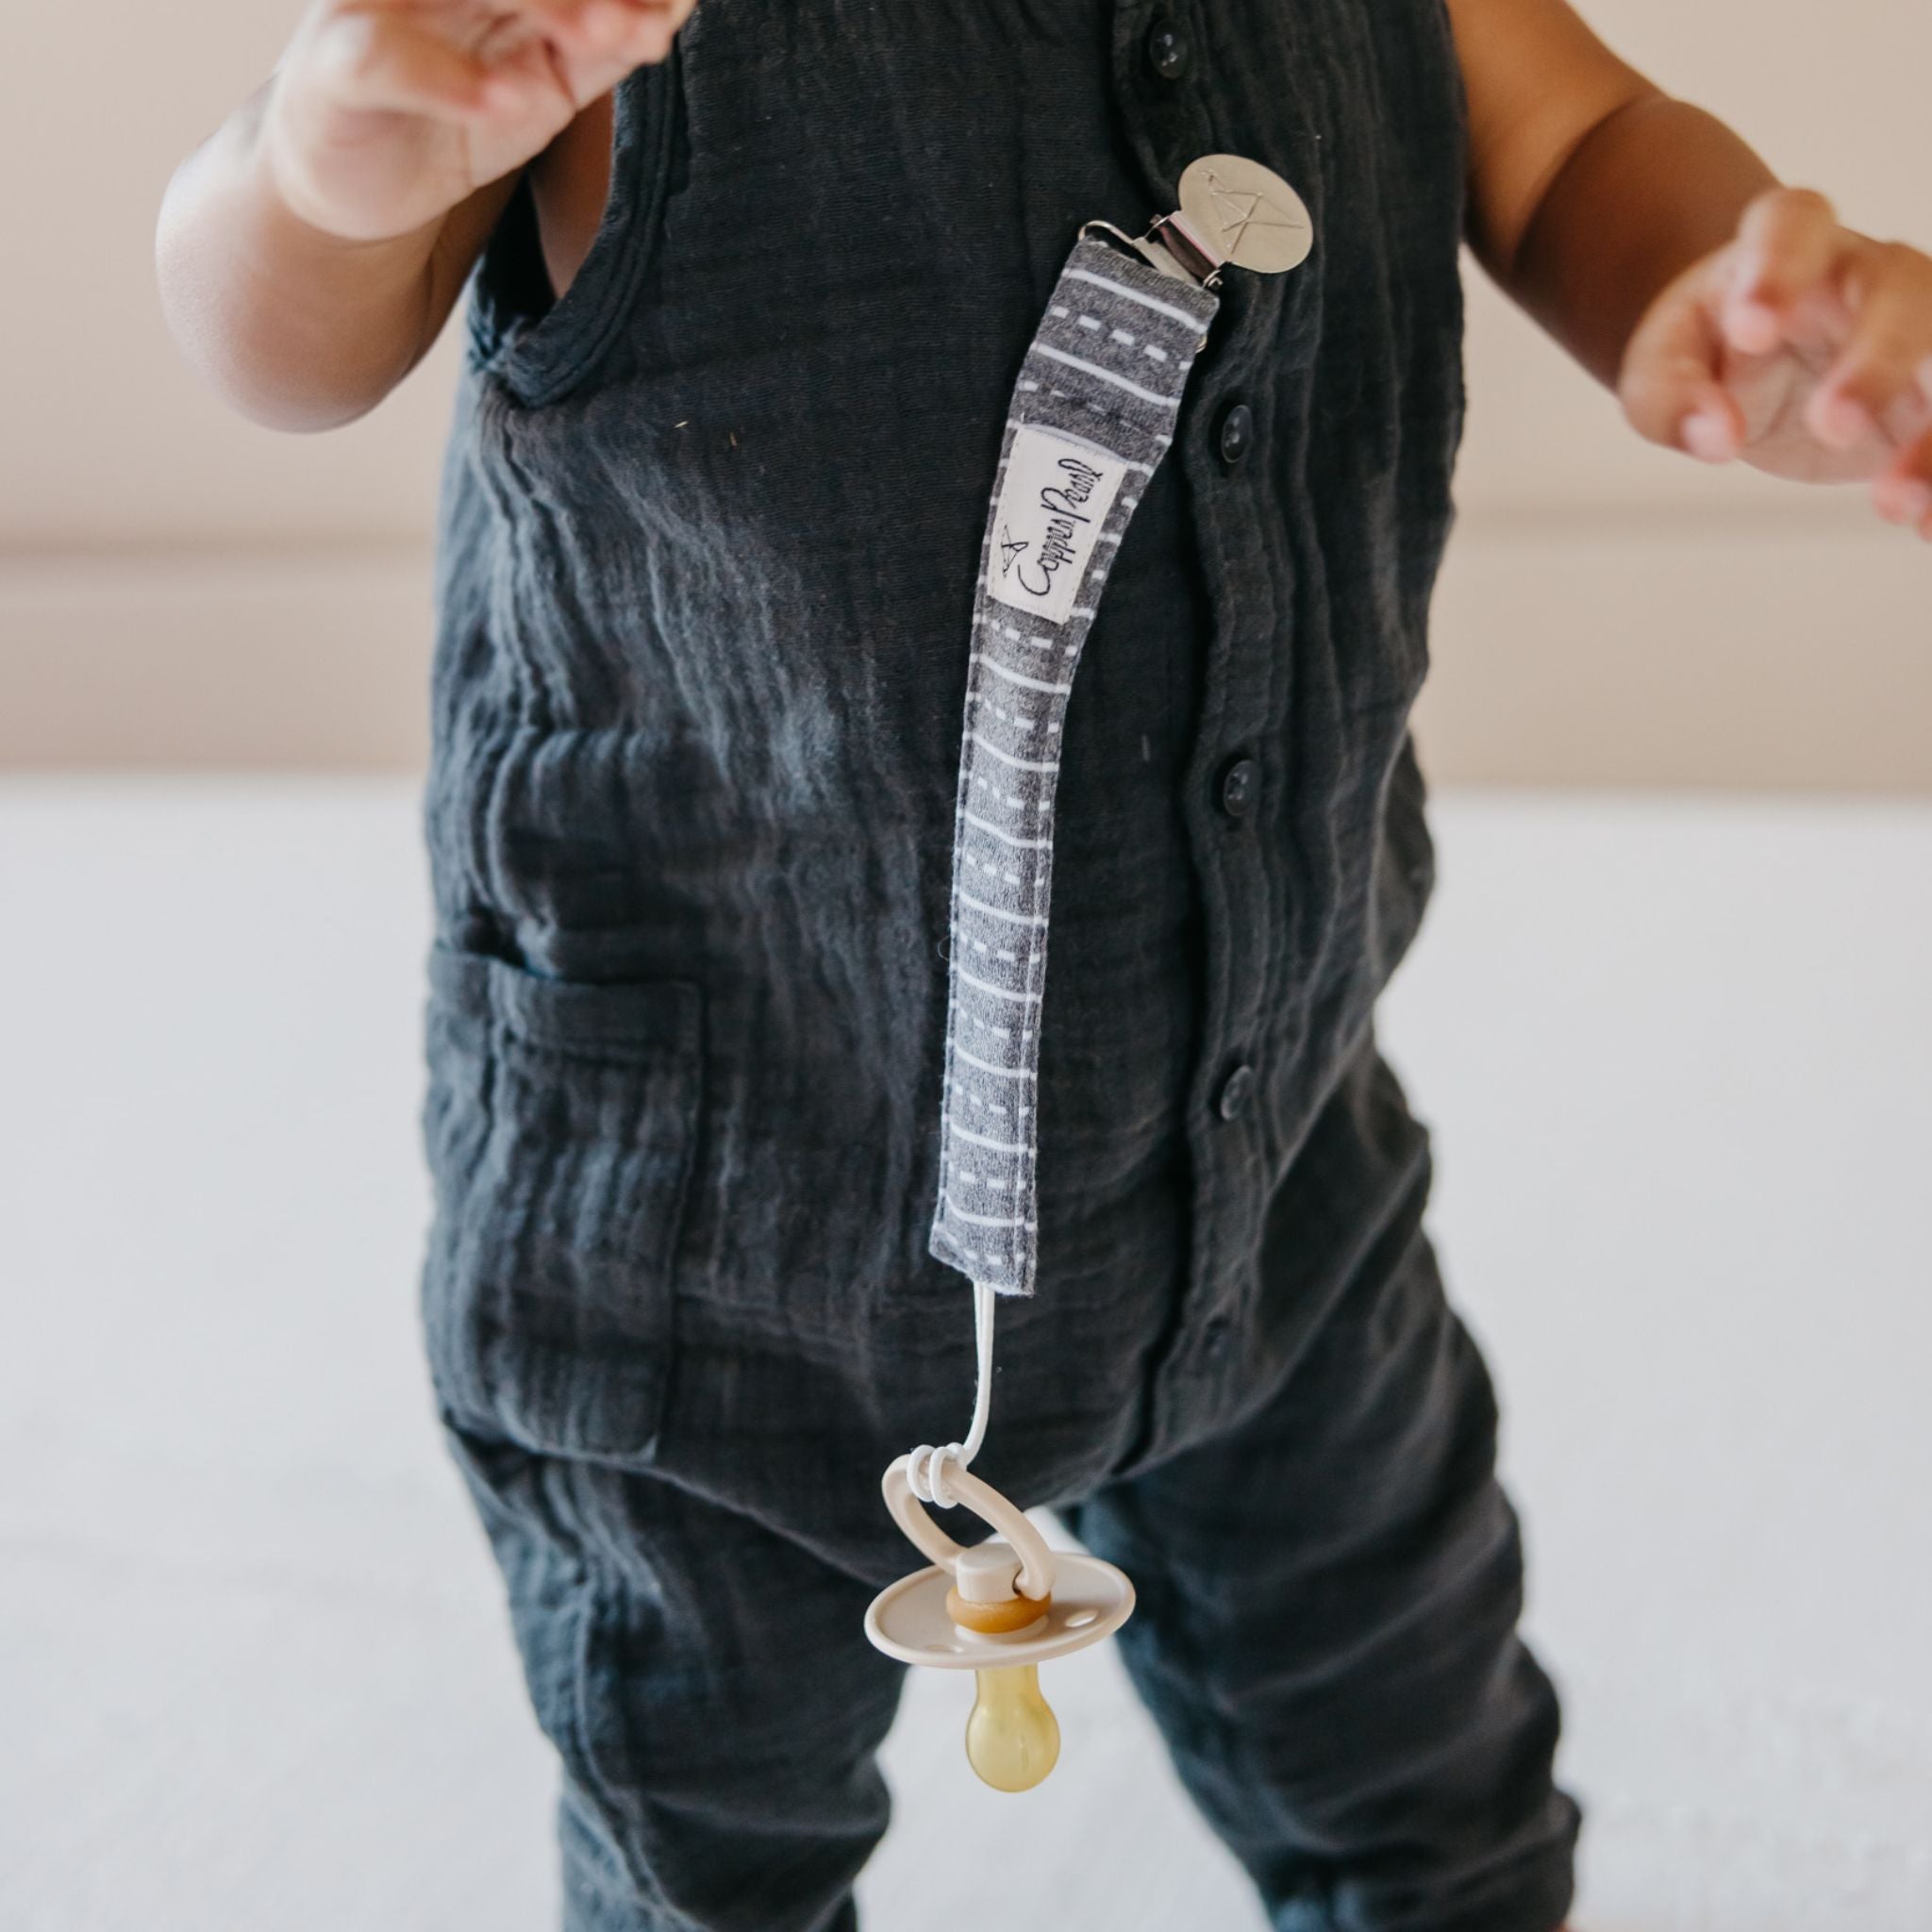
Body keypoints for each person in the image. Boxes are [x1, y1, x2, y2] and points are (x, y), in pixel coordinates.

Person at [156, 4, 1932, 1928]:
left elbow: (1573, 144)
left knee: (1440, 1804)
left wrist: (1729, 294)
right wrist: (321, 175)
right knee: (711, 1857)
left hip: (1257, 1159)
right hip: (711, 1223)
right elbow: (283, 337)